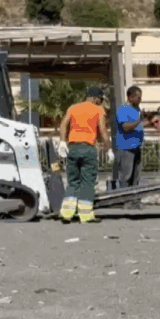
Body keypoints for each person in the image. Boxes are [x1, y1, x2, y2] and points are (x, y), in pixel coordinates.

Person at [57, 87, 110, 223]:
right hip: (88, 149)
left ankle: (66, 213)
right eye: (100, 99)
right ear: (95, 98)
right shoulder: (98, 110)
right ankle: (85, 215)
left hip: (73, 147)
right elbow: (103, 130)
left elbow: (63, 125)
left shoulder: (73, 108)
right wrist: (108, 149)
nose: (100, 102)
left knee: (73, 181)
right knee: (87, 182)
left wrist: (62, 142)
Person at [114, 85, 145, 209]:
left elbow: (138, 124)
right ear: (130, 97)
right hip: (126, 147)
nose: (140, 100)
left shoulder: (136, 109)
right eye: (138, 97)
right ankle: (125, 201)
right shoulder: (123, 109)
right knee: (126, 176)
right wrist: (139, 120)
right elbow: (126, 127)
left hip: (137, 147)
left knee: (136, 176)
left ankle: (134, 200)